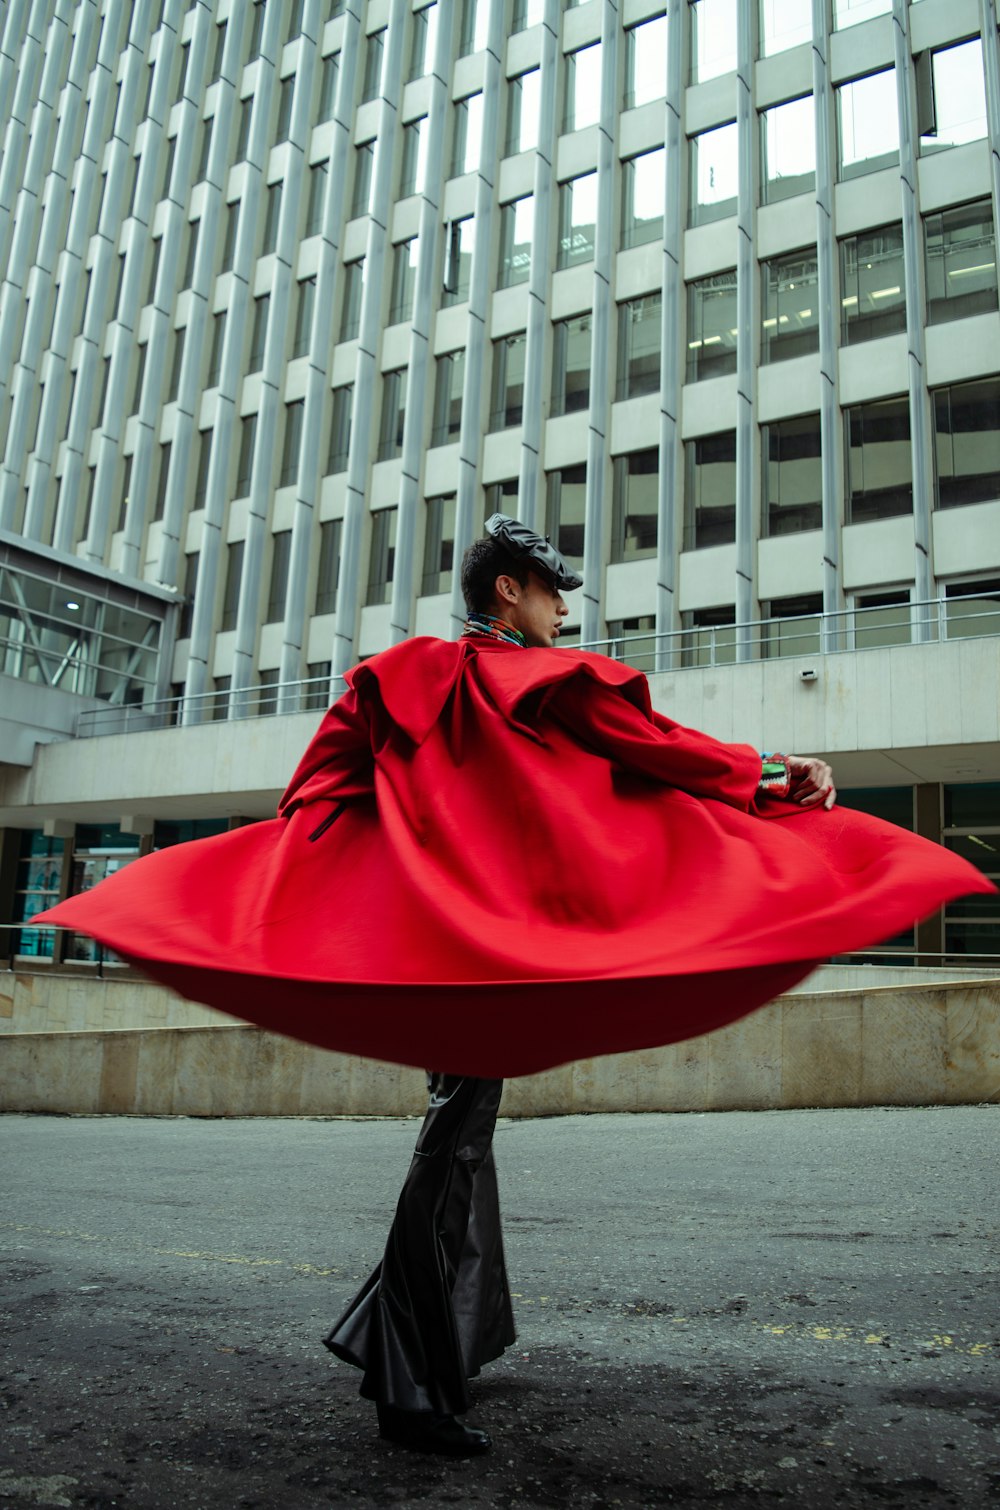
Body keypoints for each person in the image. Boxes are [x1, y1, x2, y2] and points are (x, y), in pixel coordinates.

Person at [36, 517, 994, 1458]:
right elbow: (669, 751)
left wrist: (357, 887)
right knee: (451, 1142)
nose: (563, 615)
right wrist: (784, 771)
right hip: (495, 953)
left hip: (428, 954)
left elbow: (315, 796)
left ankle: (447, 1341)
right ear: (508, 590)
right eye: (552, 594)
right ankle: (408, 1386)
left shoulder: (399, 678)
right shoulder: (542, 680)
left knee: (461, 1130)